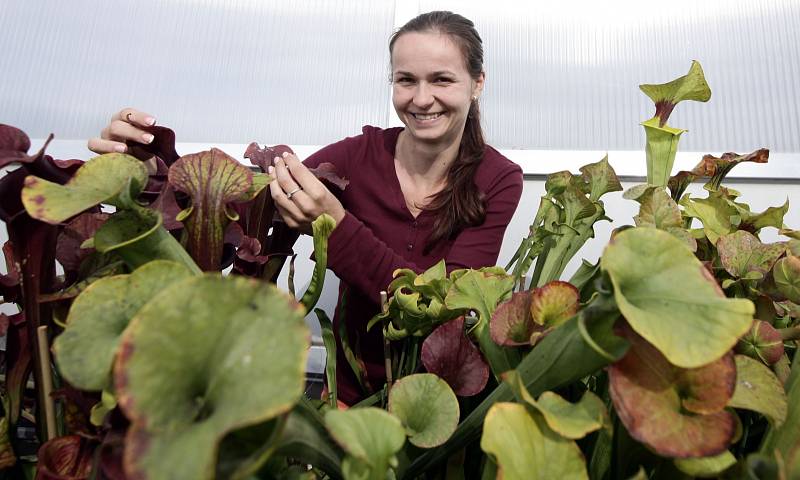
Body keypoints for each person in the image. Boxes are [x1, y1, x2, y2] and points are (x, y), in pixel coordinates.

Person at [88, 11, 523, 406]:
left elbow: (447, 308)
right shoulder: (357, 158)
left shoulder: (499, 179)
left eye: (442, 80)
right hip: (346, 400)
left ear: (477, 82)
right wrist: (151, 169)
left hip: (445, 405)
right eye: (406, 80)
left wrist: (335, 225)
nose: (421, 99)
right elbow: (242, 200)